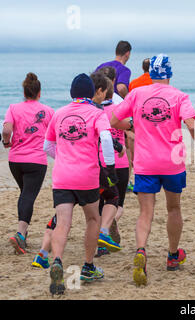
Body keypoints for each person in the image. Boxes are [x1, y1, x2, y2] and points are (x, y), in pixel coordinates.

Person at [111, 54, 195, 286]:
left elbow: (114, 120)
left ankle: (141, 251)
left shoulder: (136, 94)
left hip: (145, 163)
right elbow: (191, 124)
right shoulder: (179, 96)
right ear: (170, 73)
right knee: (173, 208)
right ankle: (173, 256)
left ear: (151, 74)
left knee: (146, 212)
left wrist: (132, 125)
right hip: (171, 163)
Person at [43, 73, 118, 295]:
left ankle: (57, 261)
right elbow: (106, 139)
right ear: (91, 92)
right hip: (86, 176)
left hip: (62, 177)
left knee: (62, 223)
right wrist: (110, 167)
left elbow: (47, 146)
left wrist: (65, 159)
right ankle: (88, 265)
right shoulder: (97, 113)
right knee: (93, 218)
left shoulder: (59, 114)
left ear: (71, 93)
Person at [2, 73, 54, 254]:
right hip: (36, 161)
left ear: (24, 93)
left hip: (15, 161)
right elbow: (54, 136)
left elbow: (7, 129)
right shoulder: (48, 111)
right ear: (39, 93)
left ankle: (23, 233)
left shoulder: (13, 108)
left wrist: (6, 142)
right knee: (28, 196)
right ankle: (20, 234)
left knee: (25, 194)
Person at [97, 75, 130, 253]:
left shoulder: (94, 111)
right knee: (119, 202)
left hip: (100, 162)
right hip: (121, 161)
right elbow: (129, 127)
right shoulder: (119, 108)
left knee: (101, 204)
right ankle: (112, 221)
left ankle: (102, 238)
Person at [99, 66, 136, 193]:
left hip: (98, 156)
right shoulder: (119, 102)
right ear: (114, 80)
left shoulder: (93, 102)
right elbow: (129, 133)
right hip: (117, 153)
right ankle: (126, 182)